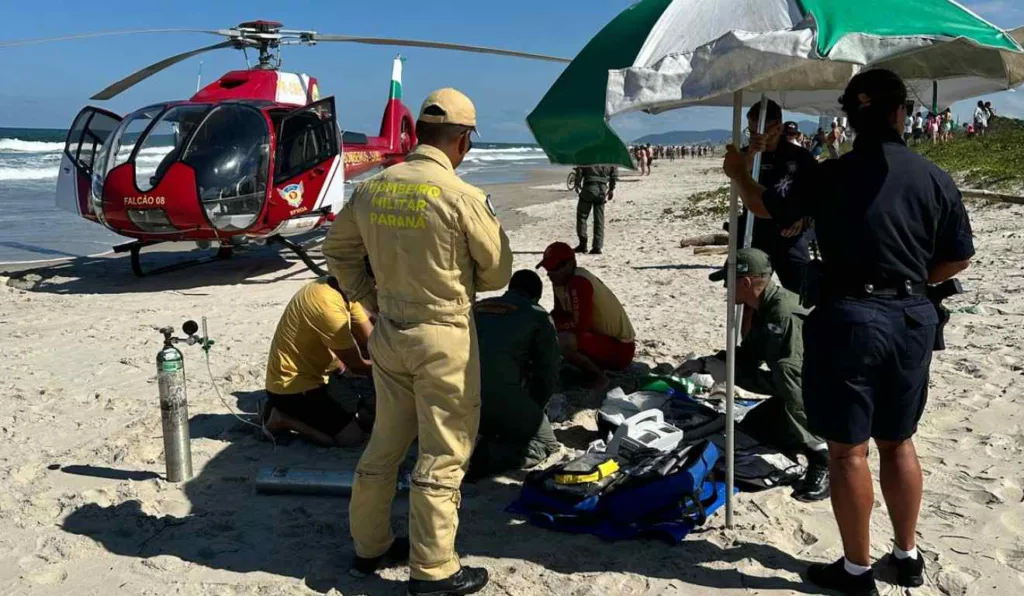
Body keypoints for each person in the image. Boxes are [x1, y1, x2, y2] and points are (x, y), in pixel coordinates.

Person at [723, 69, 974, 595]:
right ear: (900, 113)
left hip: (851, 316)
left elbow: (768, 206)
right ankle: (905, 555)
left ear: (849, 117)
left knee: (848, 452)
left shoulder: (831, 174)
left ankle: (858, 570)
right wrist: (909, 277)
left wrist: (739, 174)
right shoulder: (933, 176)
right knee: (899, 441)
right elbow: (957, 258)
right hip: (911, 316)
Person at [323, 87, 513, 594]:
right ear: (463, 141)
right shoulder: (462, 196)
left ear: (417, 135)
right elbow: (496, 274)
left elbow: (337, 251)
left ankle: (370, 545)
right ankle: (433, 569)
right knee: (444, 452)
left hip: (390, 330)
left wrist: (368, 296)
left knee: (385, 441)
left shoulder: (370, 188)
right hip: (443, 332)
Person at [679, 248, 829, 502]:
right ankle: (802, 438)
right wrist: (708, 363)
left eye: (729, 281)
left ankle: (823, 457)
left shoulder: (783, 314)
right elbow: (749, 356)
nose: (727, 288)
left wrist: (731, 375)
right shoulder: (765, 308)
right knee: (754, 427)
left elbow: (791, 381)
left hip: (822, 394)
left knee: (785, 374)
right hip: (804, 392)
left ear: (746, 282)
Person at [467, 270, 562, 480]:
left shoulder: (478, 307)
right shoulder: (538, 315)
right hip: (498, 397)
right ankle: (490, 456)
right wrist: (535, 408)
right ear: (536, 296)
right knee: (545, 443)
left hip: (459, 400)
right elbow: (548, 372)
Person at [263, 276, 374, 447]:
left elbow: (371, 340)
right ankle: (282, 418)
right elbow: (357, 366)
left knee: (365, 415)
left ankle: (292, 412)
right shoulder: (327, 307)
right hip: (292, 388)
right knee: (351, 438)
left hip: (320, 376)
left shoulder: (340, 288)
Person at [733, 99, 816, 296]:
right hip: (755, 232)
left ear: (778, 127)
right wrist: (752, 153)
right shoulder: (746, 155)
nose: (756, 136)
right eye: (751, 132)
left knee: (801, 291)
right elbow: (735, 176)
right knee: (750, 293)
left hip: (791, 235)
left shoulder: (799, 156)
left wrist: (803, 218)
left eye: (760, 131)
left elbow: (815, 194)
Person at [537, 241, 635, 390]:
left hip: (620, 349)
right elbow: (558, 314)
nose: (550, 273)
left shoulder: (579, 282)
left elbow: (580, 324)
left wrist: (552, 326)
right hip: (600, 339)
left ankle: (598, 378)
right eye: (548, 269)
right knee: (554, 334)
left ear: (570, 265)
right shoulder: (561, 281)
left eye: (554, 268)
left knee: (562, 340)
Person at [573, 164, 618, 255]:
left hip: (589, 187)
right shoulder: (610, 157)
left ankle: (583, 244)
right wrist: (611, 189)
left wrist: (577, 184)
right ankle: (597, 246)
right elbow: (614, 175)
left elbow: (580, 170)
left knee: (582, 216)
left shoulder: (588, 154)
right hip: (602, 189)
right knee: (599, 219)